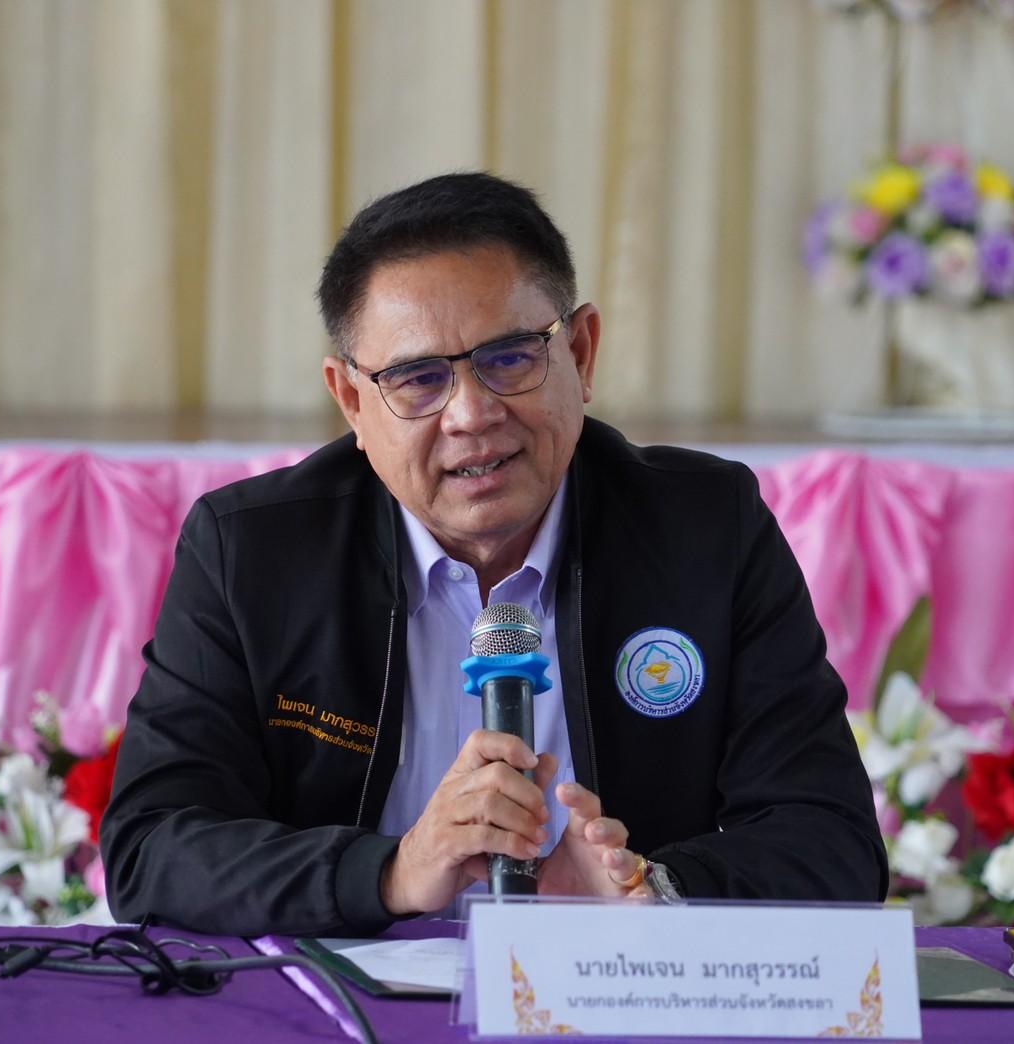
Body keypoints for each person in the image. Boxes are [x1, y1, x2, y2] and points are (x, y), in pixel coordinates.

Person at [102, 172, 887, 936]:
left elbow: (832, 840)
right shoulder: (252, 552)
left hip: (614, 991)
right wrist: (390, 872)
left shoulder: (707, 530)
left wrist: (651, 891)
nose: (472, 415)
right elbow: (153, 846)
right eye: (417, 379)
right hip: (342, 997)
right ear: (352, 402)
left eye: (510, 357)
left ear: (581, 352)